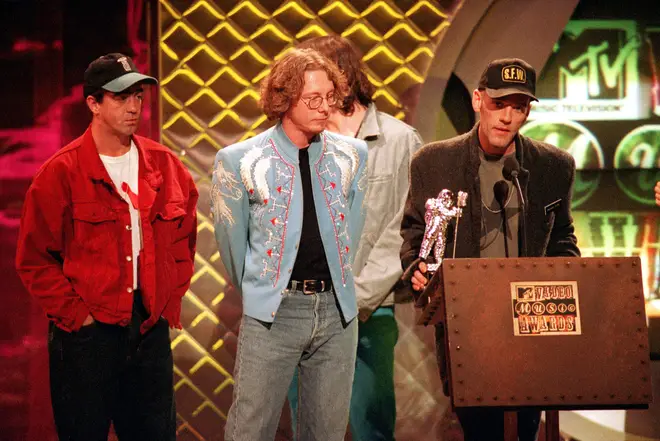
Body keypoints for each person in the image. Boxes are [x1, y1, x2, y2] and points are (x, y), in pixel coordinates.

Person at [15, 53, 198, 440]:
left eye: (138, 95)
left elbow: (183, 237)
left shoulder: (164, 166)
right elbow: (34, 259)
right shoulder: (60, 173)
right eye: (121, 96)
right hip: (86, 335)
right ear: (93, 104)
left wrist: (166, 299)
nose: (134, 106)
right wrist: (77, 316)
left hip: (147, 328)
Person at [400, 58, 580, 441]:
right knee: (479, 429)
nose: (507, 117)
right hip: (468, 322)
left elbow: (563, 238)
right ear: (479, 100)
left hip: (533, 322)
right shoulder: (433, 163)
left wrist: (566, 286)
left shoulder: (554, 166)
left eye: (519, 107)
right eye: (499, 104)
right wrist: (416, 269)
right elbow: (417, 235)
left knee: (528, 429)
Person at [211, 48, 368, 441]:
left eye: (329, 97)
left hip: (337, 313)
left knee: (326, 433)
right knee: (250, 429)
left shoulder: (353, 155)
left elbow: (354, 231)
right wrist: (263, 290)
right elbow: (233, 248)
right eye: (313, 99)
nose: (324, 108)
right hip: (274, 313)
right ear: (284, 99)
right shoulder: (241, 160)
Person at [287, 35, 422, 441]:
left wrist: (355, 299)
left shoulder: (400, 141)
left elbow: (406, 227)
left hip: (368, 309)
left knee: (372, 427)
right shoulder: (297, 141)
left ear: (340, 79)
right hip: (304, 307)